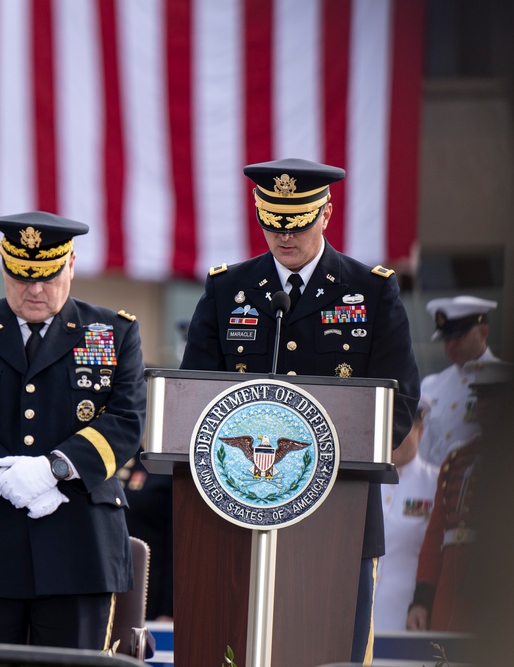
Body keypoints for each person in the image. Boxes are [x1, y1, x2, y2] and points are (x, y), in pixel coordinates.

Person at [180, 158, 420, 663]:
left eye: (296, 223)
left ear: (326, 213)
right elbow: (192, 397)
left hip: (339, 510)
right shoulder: (229, 290)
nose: (283, 236)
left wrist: (312, 465)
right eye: (271, 222)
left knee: (331, 652)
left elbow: (399, 403)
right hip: (237, 514)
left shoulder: (371, 291)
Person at [0, 211, 146, 650]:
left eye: (47, 275)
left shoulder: (114, 332)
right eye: (22, 277)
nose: (35, 290)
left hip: (78, 543)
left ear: (72, 265)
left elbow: (126, 420)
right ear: (4, 268)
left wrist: (54, 470)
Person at [406, 360, 513, 633]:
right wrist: (422, 599)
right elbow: (436, 534)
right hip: (450, 587)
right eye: (481, 400)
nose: (486, 409)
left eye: (496, 401)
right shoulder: (457, 460)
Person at [372, 396, 437, 632]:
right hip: (359, 614)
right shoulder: (366, 481)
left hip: (406, 617)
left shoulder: (436, 482)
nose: (394, 438)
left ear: (420, 430)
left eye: (402, 430)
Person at [417, 296, 500, 467]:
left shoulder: (504, 380)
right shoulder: (431, 385)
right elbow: (423, 449)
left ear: (483, 332)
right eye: (447, 338)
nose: (451, 345)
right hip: (437, 488)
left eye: (459, 337)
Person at [118, 453, 173, 621]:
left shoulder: (166, 467)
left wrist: (168, 609)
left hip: (148, 592)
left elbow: (176, 547)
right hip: (102, 585)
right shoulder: (119, 458)